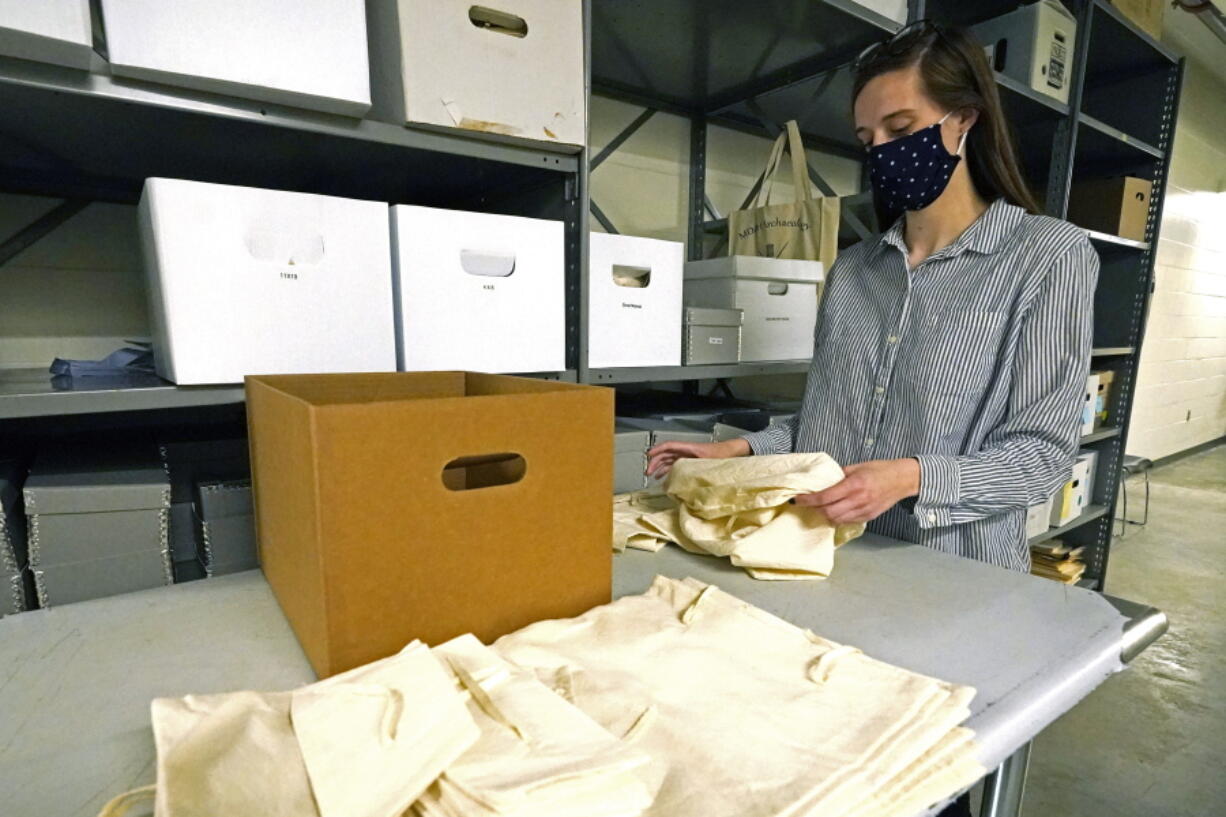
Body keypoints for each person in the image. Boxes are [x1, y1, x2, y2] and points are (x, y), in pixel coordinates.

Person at [647, 19, 1098, 814]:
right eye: (868, 135)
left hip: (954, 589)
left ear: (965, 122)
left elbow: (1042, 455)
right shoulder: (852, 272)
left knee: (930, 782)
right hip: (831, 571)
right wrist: (746, 451)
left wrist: (914, 477)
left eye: (903, 128)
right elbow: (826, 432)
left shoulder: (1049, 259)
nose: (884, 150)